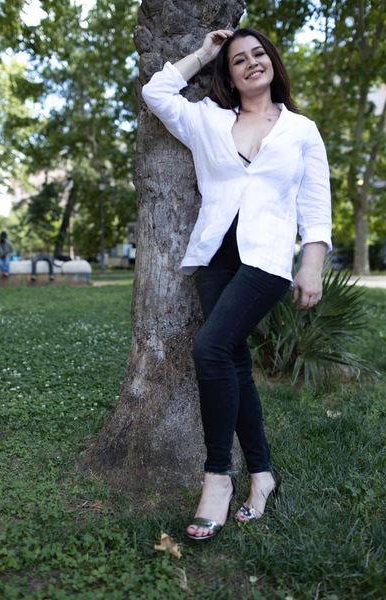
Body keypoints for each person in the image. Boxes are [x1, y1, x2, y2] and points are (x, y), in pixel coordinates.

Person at [142, 28, 332, 541]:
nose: (251, 63)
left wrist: (311, 266)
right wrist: (203, 53)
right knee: (234, 361)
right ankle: (263, 474)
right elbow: (157, 92)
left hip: (265, 261)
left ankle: (217, 477)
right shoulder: (208, 119)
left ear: (273, 62)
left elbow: (316, 207)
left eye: (258, 54)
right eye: (238, 60)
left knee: (210, 348)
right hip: (214, 257)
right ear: (228, 75)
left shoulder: (301, 130)